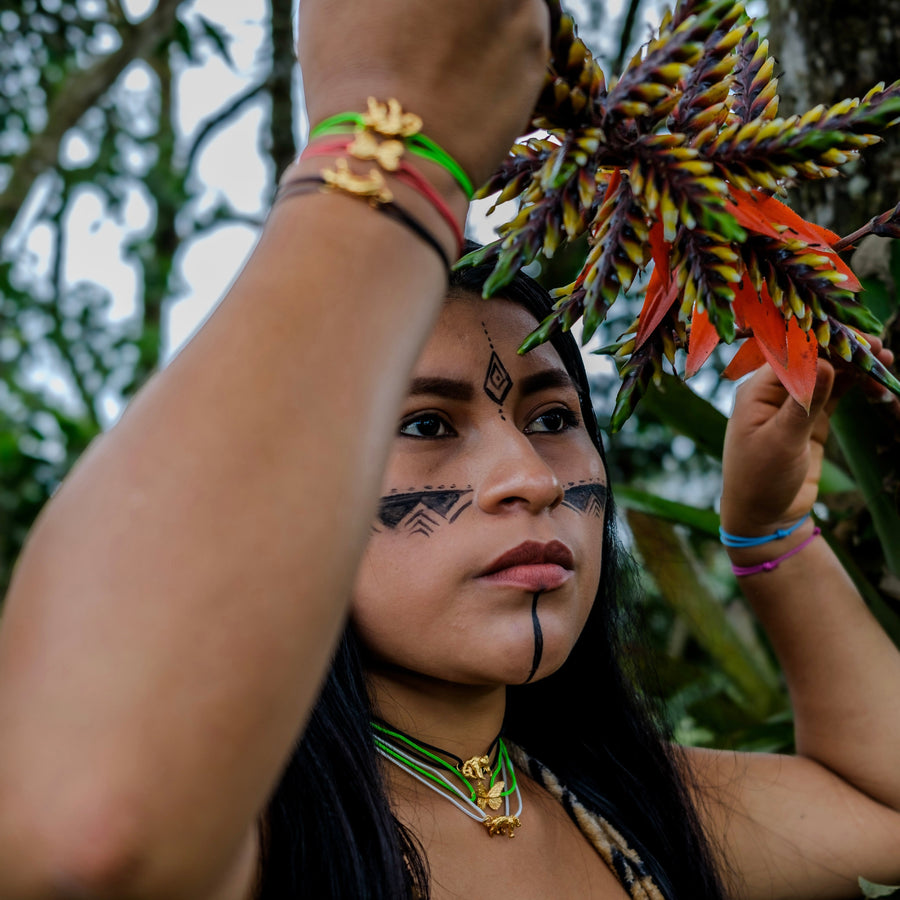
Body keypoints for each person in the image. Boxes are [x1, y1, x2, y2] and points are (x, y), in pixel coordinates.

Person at [0, 2, 899, 898]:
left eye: (553, 419)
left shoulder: (644, 811)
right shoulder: (252, 836)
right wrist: (379, 158)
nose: (529, 480)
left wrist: (771, 531)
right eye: (427, 425)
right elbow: (85, 831)